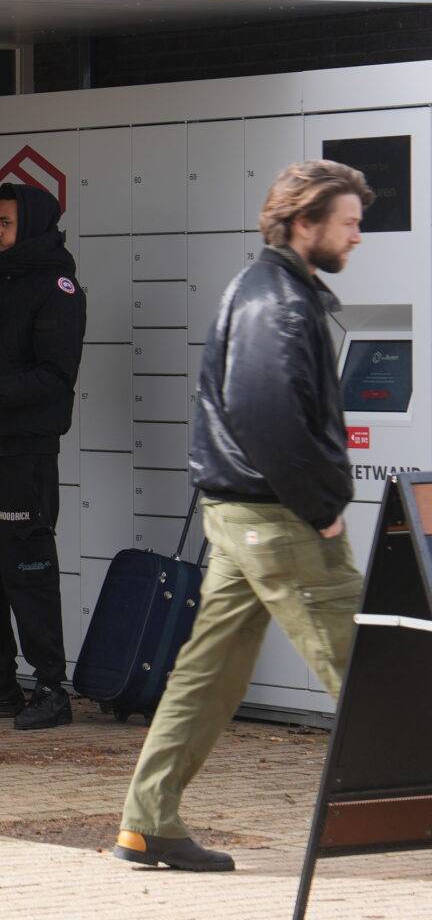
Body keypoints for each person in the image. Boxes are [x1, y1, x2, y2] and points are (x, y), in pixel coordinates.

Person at [115, 161, 372, 873]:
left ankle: (147, 822)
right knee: (365, 662)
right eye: (347, 220)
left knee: (210, 671)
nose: (358, 233)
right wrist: (322, 506)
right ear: (303, 223)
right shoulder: (280, 303)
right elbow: (268, 416)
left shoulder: (267, 290)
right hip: (278, 516)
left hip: (239, 513)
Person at [0, 182, 87, 731]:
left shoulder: (59, 289)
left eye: (4, 223)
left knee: (26, 565)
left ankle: (51, 685)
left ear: (29, 224)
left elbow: (56, 377)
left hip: (25, 452)